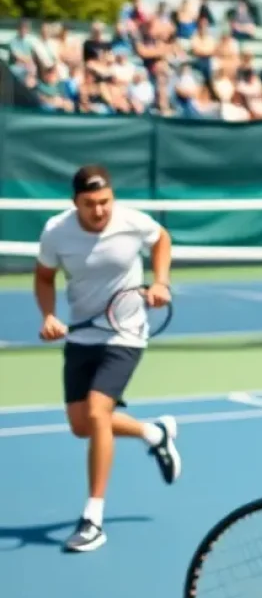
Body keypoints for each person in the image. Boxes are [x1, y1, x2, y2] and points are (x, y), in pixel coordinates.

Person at [34, 164, 182, 553]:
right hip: (82, 334)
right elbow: (44, 277)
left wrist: (161, 281)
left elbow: (161, 238)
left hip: (126, 332)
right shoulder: (56, 232)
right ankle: (155, 433)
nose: (99, 211)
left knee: (99, 413)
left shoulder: (131, 221)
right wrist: (48, 315)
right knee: (81, 425)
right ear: (75, 203)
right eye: (89, 204)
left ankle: (92, 519)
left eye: (105, 202)